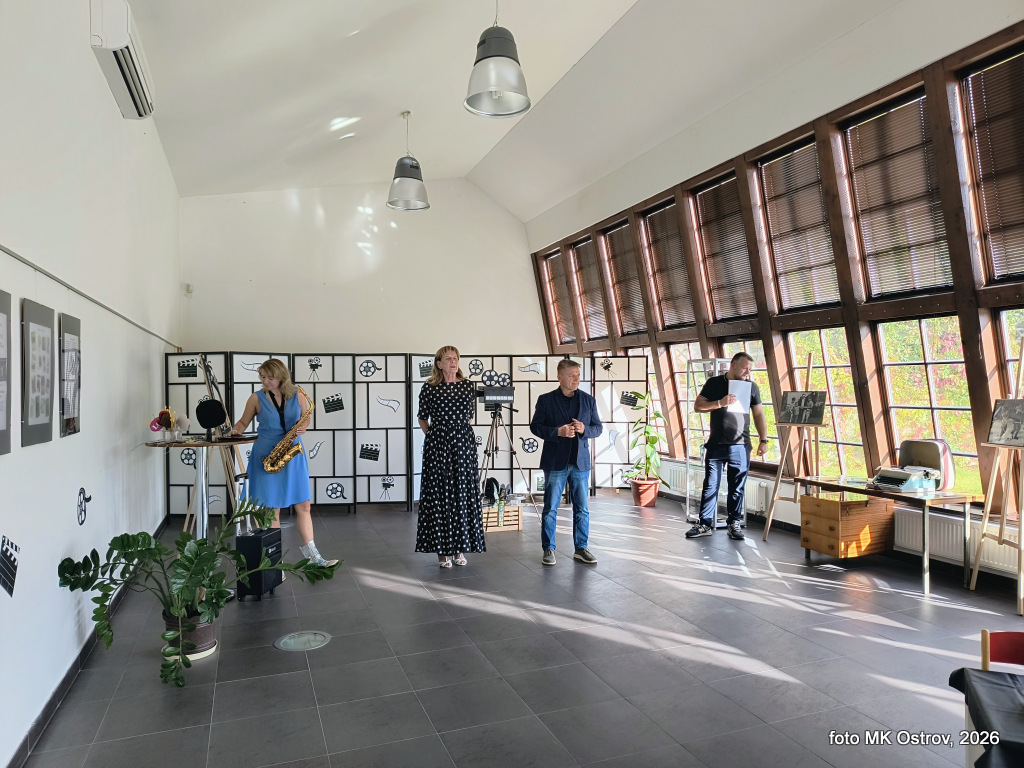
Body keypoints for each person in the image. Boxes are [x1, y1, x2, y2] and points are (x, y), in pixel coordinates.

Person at [230, 358, 337, 567]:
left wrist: (303, 426)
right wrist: (235, 431)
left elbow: (305, 418)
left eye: (270, 378)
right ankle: (274, 562)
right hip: (267, 456)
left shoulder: (298, 394)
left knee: (304, 505)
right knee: (272, 509)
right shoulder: (256, 398)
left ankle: (314, 557)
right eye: (262, 377)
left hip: (292, 454)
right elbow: (243, 422)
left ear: (282, 377)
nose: (265, 381)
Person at [686, 352, 769, 540]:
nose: (747, 372)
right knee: (710, 485)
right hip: (716, 445)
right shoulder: (714, 383)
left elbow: (758, 414)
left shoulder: (751, 387)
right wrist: (719, 403)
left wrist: (763, 440)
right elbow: (698, 406)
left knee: (737, 487)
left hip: (741, 445)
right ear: (733, 365)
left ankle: (734, 524)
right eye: (745, 367)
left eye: (750, 369)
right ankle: (704, 524)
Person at [415, 346, 485, 567]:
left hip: (463, 446)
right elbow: (422, 418)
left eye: (456, 358)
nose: (453, 362)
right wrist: (435, 437)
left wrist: (458, 435)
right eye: (448, 359)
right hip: (438, 447)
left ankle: (459, 550)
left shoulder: (467, 386)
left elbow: (469, 417)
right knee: (440, 495)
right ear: (439, 363)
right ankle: (443, 552)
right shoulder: (429, 388)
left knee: (462, 493)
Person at [530, 359, 602, 566]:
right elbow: (535, 427)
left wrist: (584, 429)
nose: (576, 379)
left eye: (578, 375)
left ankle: (581, 548)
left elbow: (598, 428)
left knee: (582, 509)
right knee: (550, 508)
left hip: (580, 463)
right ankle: (548, 549)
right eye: (572, 375)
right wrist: (557, 432)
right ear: (559, 377)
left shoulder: (589, 400)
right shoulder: (545, 400)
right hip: (555, 462)